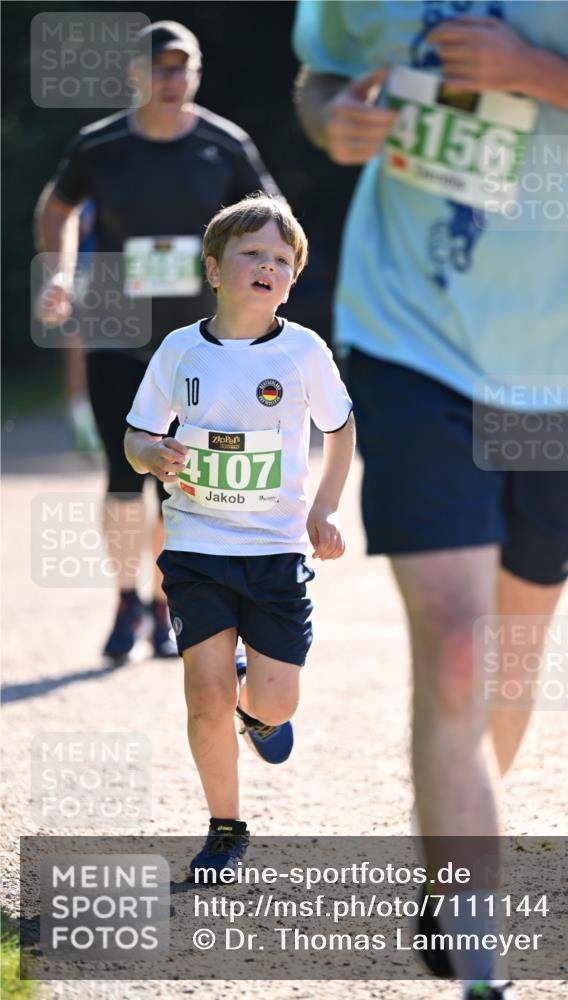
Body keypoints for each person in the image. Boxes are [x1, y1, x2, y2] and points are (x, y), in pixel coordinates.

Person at [293, 3, 568, 998]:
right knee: (458, 649)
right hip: (411, 337)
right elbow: (323, 69)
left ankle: (450, 870)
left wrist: (528, 69)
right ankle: (481, 964)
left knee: (508, 656)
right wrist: (332, 118)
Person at [124, 194, 355, 875]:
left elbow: (340, 430)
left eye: (281, 259)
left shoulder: (303, 352)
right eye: (251, 253)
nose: (266, 266)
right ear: (213, 269)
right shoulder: (180, 349)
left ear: (292, 277)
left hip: (275, 550)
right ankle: (225, 827)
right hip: (195, 546)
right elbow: (137, 435)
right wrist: (150, 453)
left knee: (277, 700)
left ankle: (258, 710)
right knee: (205, 693)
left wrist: (325, 508)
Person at [35, 20, 280, 661]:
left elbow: (269, 221)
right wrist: (60, 272)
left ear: (196, 75)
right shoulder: (100, 145)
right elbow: (58, 208)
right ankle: (127, 601)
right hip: (117, 329)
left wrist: (256, 287)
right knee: (125, 472)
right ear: (135, 75)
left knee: (183, 473)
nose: (172, 80)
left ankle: (170, 599)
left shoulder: (225, 146)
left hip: (200, 339)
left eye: (183, 68)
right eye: (160, 68)